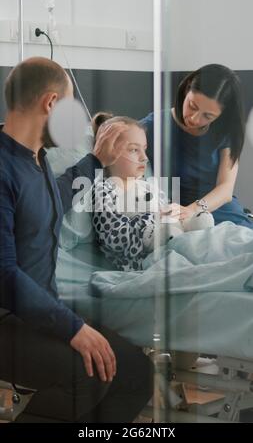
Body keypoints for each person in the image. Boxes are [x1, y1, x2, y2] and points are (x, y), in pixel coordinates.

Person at [0, 57, 153, 422]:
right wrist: (74, 329)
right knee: (86, 373)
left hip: (35, 313)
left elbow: (58, 195)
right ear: (51, 104)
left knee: (134, 374)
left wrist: (96, 160)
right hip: (7, 318)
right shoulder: (5, 168)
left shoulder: (35, 160)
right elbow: (4, 274)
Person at [91, 112, 214, 272]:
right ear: (110, 152)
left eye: (145, 149)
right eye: (134, 150)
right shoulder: (104, 190)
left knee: (205, 230)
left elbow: (169, 215)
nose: (144, 158)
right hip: (144, 262)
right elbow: (113, 237)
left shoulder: (149, 186)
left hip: (177, 242)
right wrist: (153, 223)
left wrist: (183, 218)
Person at [141, 64, 253, 229]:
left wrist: (193, 210)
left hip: (215, 206)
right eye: (192, 106)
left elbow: (226, 188)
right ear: (187, 90)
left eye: (208, 116)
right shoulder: (153, 125)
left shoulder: (225, 131)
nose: (194, 119)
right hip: (174, 210)